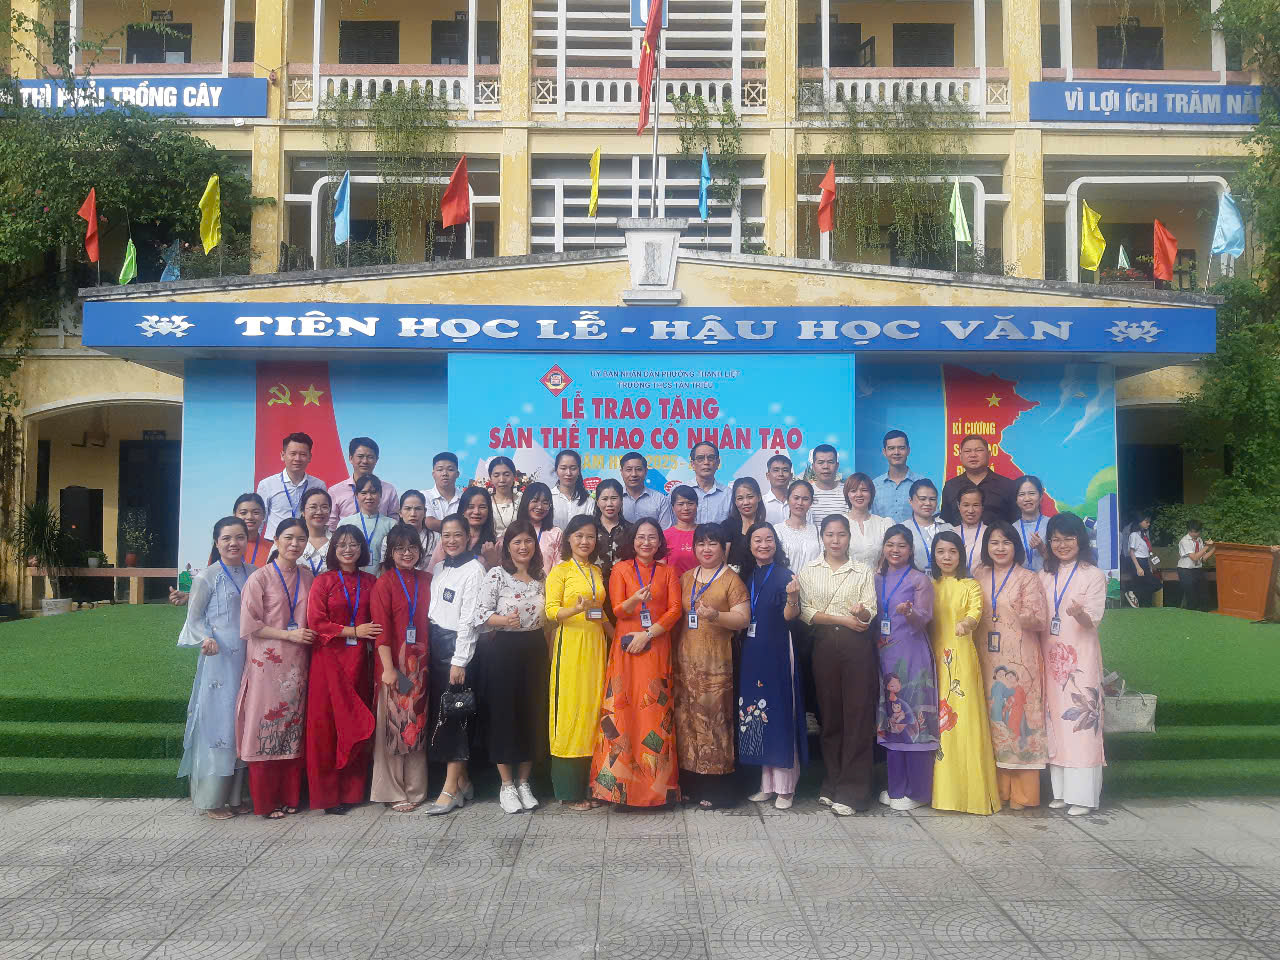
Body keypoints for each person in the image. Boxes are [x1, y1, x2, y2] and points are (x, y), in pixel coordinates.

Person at [590, 518, 682, 808]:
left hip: (655, 646)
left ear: (660, 542)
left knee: (653, 710)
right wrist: (634, 600)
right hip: (626, 649)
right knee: (622, 710)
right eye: (641, 537)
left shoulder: (668, 571)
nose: (646, 542)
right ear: (633, 540)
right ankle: (617, 789)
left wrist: (649, 634)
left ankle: (656, 790)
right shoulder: (621, 569)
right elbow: (617, 609)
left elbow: (675, 610)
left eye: (652, 537)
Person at [797, 514, 877, 815]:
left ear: (849, 537)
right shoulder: (809, 570)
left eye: (841, 534)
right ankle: (831, 783)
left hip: (857, 648)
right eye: (830, 534)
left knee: (857, 715)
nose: (835, 540)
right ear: (822, 537)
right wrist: (843, 618)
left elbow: (869, 611)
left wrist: (861, 612)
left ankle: (853, 791)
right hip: (824, 646)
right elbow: (806, 612)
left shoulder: (862, 570)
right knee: (829, 717)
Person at [235, 518, 315, 818]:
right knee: (265, 725)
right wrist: (288, 635)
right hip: (266, 664)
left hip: (298, 664)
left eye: (301, 539)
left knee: (292, 726)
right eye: (289, 538)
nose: (295, 544)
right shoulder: (260, 578)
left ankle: (290, 796)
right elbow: (250, 625)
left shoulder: (307, 576)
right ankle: (266, 801)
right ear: (277, 541)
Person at [177, 517, 252, 818]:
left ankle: (237, 797)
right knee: (219, 724)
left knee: (242, 723)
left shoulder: (255, 573)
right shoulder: (206, 577)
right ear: (216, 542)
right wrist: (205, 638)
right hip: (219, 659)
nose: (234, 543)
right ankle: (212, 800)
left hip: (250, 656)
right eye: (227, 538)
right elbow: (193, 620)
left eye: (239, 537)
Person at [973, 522, 1050, 810]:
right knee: (993, 719)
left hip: (1019, 660)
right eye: (994, 542)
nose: (1000, 548)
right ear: (986, 547)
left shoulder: (1028, 578)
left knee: (1017, 719)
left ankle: (1023, 794)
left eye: (1006, 542)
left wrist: (1023, 615)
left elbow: (1040, 620)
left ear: (1016, 546)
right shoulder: (979, 574)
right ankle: (998, 791)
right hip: (986, 658)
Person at [304, 528, 379, 814]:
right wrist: (354, 631)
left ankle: (352, 792)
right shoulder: (323, 581)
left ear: (362, 548)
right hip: (327, 662)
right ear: (333, 549)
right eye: (342, 544)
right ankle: (327, 796)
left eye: (354, 544)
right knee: (325, 726)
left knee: (355, 721)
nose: (348, 549)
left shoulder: (370, 581)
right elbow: (316, 622)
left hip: (360, 662)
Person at [475, 521, 549, 814]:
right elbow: (480, 615)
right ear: (507, 546)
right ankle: (506, 785)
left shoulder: (541, 577)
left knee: (532, 713)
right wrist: (503, 620)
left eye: (528, 541)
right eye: (517, 541)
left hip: (535, 649)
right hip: (504, 650)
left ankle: (524, 783)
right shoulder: (496, 575)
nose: (523, 547)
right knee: (504, 715)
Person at [676, 523, 750, 809]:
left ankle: (717, 787)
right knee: (686, 721)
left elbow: (743, 619)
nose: (706, 549)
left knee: (714, 721)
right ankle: (689, 784)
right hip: (685, 661)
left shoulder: (731, 580)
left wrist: (716, 615)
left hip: (716, 663)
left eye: (712, 543)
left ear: (723, 548)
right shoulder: (685, 578)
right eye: (701, 543)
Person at [1039, 511, 1108, 815]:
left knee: (1081, 724)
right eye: (1056, 539)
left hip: (1081, 662)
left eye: (1068, 538)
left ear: (1080, 540)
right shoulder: (1043, 576)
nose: (1062, 544)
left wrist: (1079, 613)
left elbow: (1093, 620)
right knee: (1054, 722)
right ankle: (1061, 792)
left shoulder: (1093, 575)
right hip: (1049, 660)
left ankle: (1083, 797)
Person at [928, 531, 1000, 815]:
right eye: (940, 552)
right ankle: (940, 792)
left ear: (961, 555)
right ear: (934, 556)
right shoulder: (928, 585)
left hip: (960, 657)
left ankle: (970, 795)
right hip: (932, 657)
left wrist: (966, 624)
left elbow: (975, 613)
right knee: (937, 719)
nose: (946, 557)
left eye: (952, 552)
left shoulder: (970, 585)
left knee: (964, 719)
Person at [739, 522, 807, 810]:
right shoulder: (748, 575)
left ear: (776, 544)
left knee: (779, 712)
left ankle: (786, 787)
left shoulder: (784, 575)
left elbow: (791, 616)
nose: (763, 545)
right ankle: (766, 784)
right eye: (757, 540)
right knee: (755, 714)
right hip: (753, 652)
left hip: (778, 650)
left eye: (769, 539)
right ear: (749, 545)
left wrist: (792, 598)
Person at [545, 515, 611, 809]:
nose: (585, 541)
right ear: (569, 539)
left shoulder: (596, 571)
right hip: (571, 646)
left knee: (594, 711)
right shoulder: (560, 571)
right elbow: (551, 612)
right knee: (571, 712)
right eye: (579, 536)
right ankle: (569, 790)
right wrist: (575, 609)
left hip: (596, 646)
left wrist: (618, 640)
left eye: (591, 536)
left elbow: (601, 612)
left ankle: (592, 787)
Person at [873, 525, 938, 812]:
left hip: (911, 658)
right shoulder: (876, 578)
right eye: (890, 544)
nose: (895, 550)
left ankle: (919, 790)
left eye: (901, 545)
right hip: (883, 657)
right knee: (891, 721)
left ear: (911, 550)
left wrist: (910, 612)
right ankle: (897, 787)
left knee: (914, 721)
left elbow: (924, 619)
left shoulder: (919, 580)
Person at [425, 514, 486, 815]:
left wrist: (460, 660)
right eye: (446, 535)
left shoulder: (475, 570)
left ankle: (449, 788)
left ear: (468, 537)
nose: (451, 540)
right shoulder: (439, 567)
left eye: (457, 535)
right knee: (441, 715)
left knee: (455, 718)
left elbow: (469, 621)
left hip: (457, 649)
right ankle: (463, 782)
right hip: (435, 646)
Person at [370, 523, 433, 812]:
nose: (407, 553)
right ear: (390, 553)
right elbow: (381, 631)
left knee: (416, 725)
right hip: (395, 666)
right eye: (400, 548)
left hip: (422, 666)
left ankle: (416, 788)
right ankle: (393, 790)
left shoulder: (428, 580)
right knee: (395, 726)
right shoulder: (383, 583)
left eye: (412, 548)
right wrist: (389, 669)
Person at [256, 432, 324, 537]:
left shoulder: (318, 485)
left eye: (303, 454)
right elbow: (259, 519)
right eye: (293, 454)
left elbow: (323, 518)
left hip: (306, 543)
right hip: (274, 543)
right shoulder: (267, 484)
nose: (297, 459)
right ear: (283, 455)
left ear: (309, 457)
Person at [941, 435, 1018, 526]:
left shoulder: (1007, 485)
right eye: (967, 451)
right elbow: (945, 522)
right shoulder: (950, 486)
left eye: (979, 450)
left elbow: (1016, 522)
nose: (973, 455)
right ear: (960, 456)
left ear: (989, 454)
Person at [327, 437, 400, 531]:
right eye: (360, 456)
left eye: (370, 457)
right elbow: (332, 526)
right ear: (350, 458)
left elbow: (394, 524)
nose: (365, 461)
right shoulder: (335, 491)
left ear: (376, 460)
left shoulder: (389, 490)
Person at [428, 486, 501, 571]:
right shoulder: (449, 541)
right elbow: (432, 572)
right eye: (470, 507)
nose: (476, 512)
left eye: (482, 507)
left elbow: (504, 576)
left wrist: (493, 562)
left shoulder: (496, 544)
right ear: (463, 510)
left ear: (489, 511)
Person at [337, 475, 397, 576]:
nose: (369, 497)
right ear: (356, 495)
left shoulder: (391, 525)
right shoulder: (345, 523)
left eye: (373, 492)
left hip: (382, 579)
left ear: (380, 494)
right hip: (351, 579)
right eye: (363, 493)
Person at [844, 472, 893, 568]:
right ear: (847, 495)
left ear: (871, 494)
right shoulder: (839, 524)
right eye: (853, 491)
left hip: (876, 576)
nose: (859, 494)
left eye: (864, 490)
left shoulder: (884, 524)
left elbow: (888, 557)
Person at [873, 430, 920, 524]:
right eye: (891, 448)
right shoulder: (874, 486)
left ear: (908, 450)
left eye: (901, 448)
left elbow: (932, 519)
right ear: (884, 452)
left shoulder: (921, 484)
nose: (896, 452)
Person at [380, 489, 435, 570]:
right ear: (400, 512)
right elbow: (385, 569)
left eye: (418, 509)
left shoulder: (436, 538)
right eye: (408, 508)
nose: (413, 514)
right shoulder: (389, 539)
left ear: (425, 512)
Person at [516, 481, 563, 574]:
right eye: (535, 501)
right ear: (526, 502)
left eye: (545, 503)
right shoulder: (514, 530)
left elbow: (559, 567)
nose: (540, 507)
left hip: (547, 582)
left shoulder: (555, 533)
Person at [774, 480, 822, 571]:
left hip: (814, 579)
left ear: (811, 502)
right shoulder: (777, 531)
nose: (800, 503)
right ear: (788, 499)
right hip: (786, 579)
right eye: (796, 498)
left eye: (805, 499)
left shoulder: (818, 532)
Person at [593, 478, 632, 588]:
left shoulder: (631, 530)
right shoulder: (589, 528)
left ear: (621, 501)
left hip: (625, 588)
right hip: (595, 588)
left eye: (614, 498)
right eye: (604, 499)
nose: (609, 504)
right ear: (597, 502)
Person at [906, 479, 953, 570]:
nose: (928, 503)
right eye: (922, 499)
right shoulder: (903, 529)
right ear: (910, 501)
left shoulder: (948, 528)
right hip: (913, 578)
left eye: (932, 499)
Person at [722, 476, 767, 571]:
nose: (746, 502)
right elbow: (722, 563)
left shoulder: (765, 527)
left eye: (750, 497)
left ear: (759, 497)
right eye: (740, 498)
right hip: (733, 578)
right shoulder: (727, 526)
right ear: (735, 501)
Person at [620, 452, 675, 528]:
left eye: (639, 469)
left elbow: (666, 532)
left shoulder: (660, 499)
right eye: (628, 470)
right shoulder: (614, 499)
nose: (634, 474)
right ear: (622, 472)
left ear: (646, 471)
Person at [690, 441, 732, 524]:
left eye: (711, 458)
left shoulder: (728, 494)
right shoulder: (679, 491)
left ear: (718, 463)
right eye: (700, 458)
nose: (706, 462)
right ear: (692, 464)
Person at [1125, 511, 1161, 608]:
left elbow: (1147, 552)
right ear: (1139, 522)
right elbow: (1131, 552)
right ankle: (1131, 592)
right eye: (1146, 522)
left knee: (1149, 584)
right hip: (1138, 561)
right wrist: (1138, 567)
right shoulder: (1134, 535)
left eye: (1149, 522)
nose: (1148, 524)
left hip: (1145, 561)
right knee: (1154, 584)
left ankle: (1136, 595)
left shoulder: (1144, 534)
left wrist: (1149, 566)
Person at [1177, 520, 1215, 611]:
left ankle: (1204, 613)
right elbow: (1194, 557)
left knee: (1204, 593)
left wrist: (1214, 549)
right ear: (1188, 530)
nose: (1194, 534)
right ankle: (1190, 613)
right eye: (1191, 532)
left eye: (1196, 532)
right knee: (1191, 596)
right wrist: (1206, 546)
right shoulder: (1184, 541)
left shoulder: (1199, 540)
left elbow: (1203, 558)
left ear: (1200, 531)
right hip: (1185, 570)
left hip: (1197, 569)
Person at [551, 449, 594, 529]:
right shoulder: (548, 498)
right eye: (563, 468)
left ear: (579, 471)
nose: (568, 473)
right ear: (556, 470)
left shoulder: (588, 501)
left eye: (573, 468)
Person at [1014, 475, 1049, 572]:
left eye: (1032, 493)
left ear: (1041, 496)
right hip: (1020, 579)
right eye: (1021, 494)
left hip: (1048, 578)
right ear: (1016, 500)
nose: (1027, 498)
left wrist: (1042, 549)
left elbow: (1062, 562)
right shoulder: (1012, 529)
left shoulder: (1052, 525)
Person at [664, 485, 700, 576]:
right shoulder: (665, 536)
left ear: (697, 505)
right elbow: (661, 569)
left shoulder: (705, 533)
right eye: (680, 504)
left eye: (690, 503)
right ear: (673, 507)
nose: (686, 508)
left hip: (703, 583)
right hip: (674, 583)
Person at [808, 444, 847, 524]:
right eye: (820, 462)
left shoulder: (848, 492)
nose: (826, 466)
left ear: (837, 466)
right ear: (813, 467)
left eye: (830, 462)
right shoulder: (806, 493)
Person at [424, 452, 462, 533]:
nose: (445, 474)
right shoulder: (424, 496)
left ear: (457, 474)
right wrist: (459, 526)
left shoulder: (464, 498)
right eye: (440, 470)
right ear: (433, 474)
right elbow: (429, 523)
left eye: (450, 469)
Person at [300, 488, 332, 576]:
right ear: (302, 511)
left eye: (324, 507)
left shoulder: (338, 541)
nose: (319, 512)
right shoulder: (288, 539)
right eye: (313, 507)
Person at [234, 493, 272, 568]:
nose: (250, 517)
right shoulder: (226, 545)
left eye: (256, 513)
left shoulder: (272, 549)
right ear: (234, 515)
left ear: (264, 515)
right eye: (243, 513)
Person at [487, 456, 521, 537]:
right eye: (496, 475)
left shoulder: (522, 500)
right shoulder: (486, 503)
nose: (502, 480)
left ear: (514, 476)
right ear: (490, 478)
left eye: (506, 475)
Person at [956, 487, 988, 573]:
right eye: (966, 505)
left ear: (982, 507)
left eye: (976, 505)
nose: (970, 510)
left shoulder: (990, 533)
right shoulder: (951, 532)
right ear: (958, 506)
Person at [762, 454, 794, 525]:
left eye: (785, 470)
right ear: (768, 476)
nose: (781, 474)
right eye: (776, 470)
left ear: (791, 476)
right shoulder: (761, 504)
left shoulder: (799, 503)